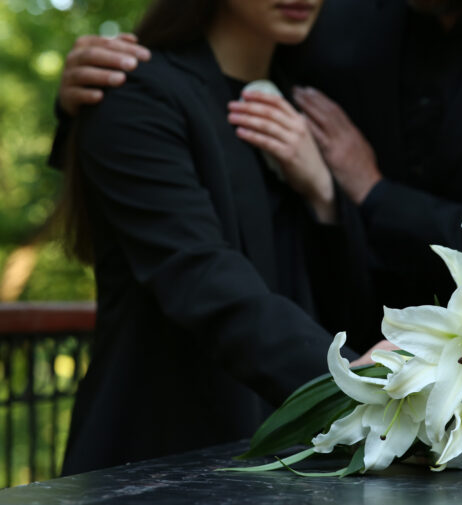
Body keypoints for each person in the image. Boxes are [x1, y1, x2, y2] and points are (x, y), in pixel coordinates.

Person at [54, 0, 462, 329]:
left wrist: (370, 192)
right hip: (297, 358)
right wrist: (90, 104)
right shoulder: (321, 14)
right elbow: (211, 93)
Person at [56, 0, 386, 476]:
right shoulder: (135, 92)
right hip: (156, 462)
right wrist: (347, 383)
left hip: (292, 466)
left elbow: (325, 291)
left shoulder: (309, 108)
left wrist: (323, 197)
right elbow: (199, 275)